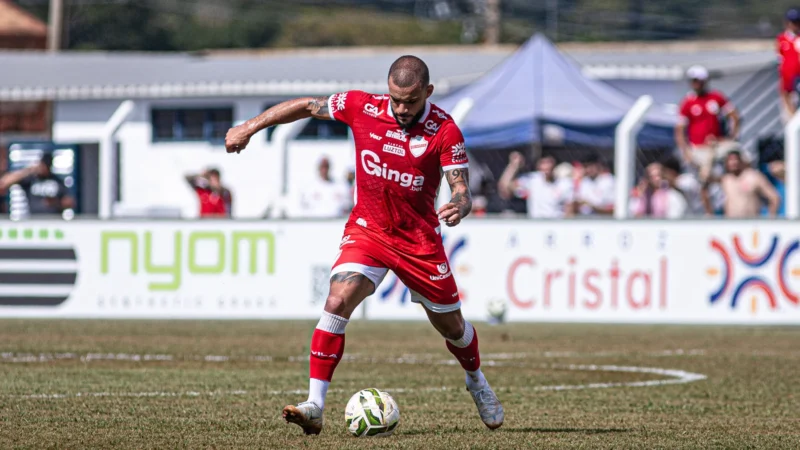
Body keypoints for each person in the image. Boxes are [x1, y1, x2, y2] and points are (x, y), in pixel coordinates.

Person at [224, 55, 503, 434]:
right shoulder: (362, 106)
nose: (402, 108)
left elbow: (461, 187)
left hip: (418, 242)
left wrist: (460, 204)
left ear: (428, 92)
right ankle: (315, 404)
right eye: (396, 99)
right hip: (368, 231)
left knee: (452, 328)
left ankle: (477, 382)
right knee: (337, 300)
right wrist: (249, 126)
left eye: (411, 101)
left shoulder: (445, 130)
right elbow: (308, 105)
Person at [675, 65, 741, 182]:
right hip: (698, 148)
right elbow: (680, 130)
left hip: (717, 145)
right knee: (704, 176)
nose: (696, 84)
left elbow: (734, 116)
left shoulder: (716, 97)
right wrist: (685, 151)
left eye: (698, 81)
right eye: (694, 81)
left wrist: (731, 137)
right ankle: (720, 184)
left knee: (744, 159)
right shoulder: (687, 103)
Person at [497, 152, 573, 218]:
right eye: (543, 163)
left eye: (549, 163)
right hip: (536, 225)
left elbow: (569, 210)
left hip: (556, 224)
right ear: (538, 166)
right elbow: (505, 187)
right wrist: (514, 165)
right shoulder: (532, 180)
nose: (546, 167)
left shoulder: (564, 183)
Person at [0, 153, 73, 216]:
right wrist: (28, 170)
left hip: (53, 220)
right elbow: (4, 182)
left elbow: (69, 202)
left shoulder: (57, 181)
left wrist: (55, 202)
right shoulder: (31, 179)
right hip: (34, 220)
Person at [718, 151, 780, 218]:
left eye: (735, 159)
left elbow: (774, 197)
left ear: (742, 160)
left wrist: (771, 218)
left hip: (751, 224)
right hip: (731, 224)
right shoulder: (726, 180)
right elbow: (706, 177)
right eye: (730, 160)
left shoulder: (754, 177)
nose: (733, 162)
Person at [777, 8, 800, 119]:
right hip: (788, 87)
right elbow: (782, 64)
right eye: (792, 22)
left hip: (798, 85)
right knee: (789, 120)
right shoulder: (782, 39)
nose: (795, 25)